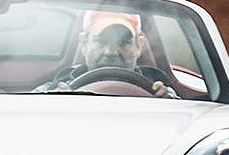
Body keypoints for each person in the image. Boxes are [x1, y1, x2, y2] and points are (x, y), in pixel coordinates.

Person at [40, 11, 180, 97]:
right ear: (83, 44)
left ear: (138, 46)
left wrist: (168, 101)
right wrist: (55, 99)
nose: (111, 53)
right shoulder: (60, 84)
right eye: (101, 41)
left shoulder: (158, 86)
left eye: (124, 43)